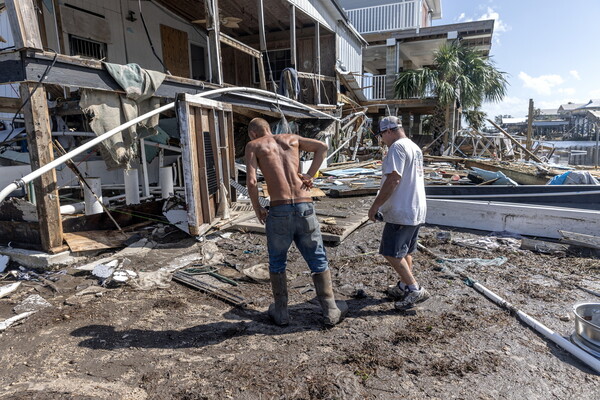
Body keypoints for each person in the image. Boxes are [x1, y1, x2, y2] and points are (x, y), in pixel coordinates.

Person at [245, 118, 347, 327]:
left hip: (279, 208)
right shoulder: (292, 139)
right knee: (317, 257)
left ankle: (281, 313)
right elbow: (322, 147)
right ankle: (330, 310)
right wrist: (310, 175)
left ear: (253, 134)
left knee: (277, 260)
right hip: (304, 207)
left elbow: (252, 181)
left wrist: (258, 208)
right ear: (269, 129)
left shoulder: (254, 145)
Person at [367, 116, 429, 310]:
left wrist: (375, 205)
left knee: (391, 252)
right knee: (405, 251)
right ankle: (404, 285)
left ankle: (414, 288)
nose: (382, 140)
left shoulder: (397, 148)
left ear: (389, 131)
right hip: (416, 207)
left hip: (402, 208)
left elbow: (394, 179)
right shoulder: (414, 147)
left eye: (381, 135)